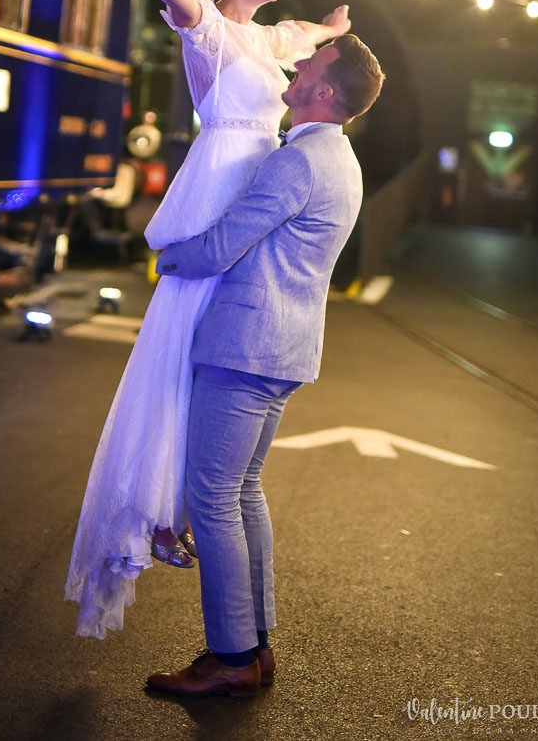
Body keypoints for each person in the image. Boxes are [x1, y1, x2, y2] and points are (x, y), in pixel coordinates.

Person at [65, 0, 350, 639]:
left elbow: (301, 36)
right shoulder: (216, 36)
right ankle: (163, 514)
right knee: (183, 361)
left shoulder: (268, 41)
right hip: (223, 196)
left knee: (213, 371)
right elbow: (184, 7)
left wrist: (332, 32)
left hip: (256, 201)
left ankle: (185, 518)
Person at [146, 35, 383, 696]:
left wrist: (166, 258)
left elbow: (224, 244)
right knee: (243, 492)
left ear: (324, 91)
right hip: (285, 347)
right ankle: (254, 647)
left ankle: (230, 659)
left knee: (213, 499)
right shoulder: (341, 160)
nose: (297, 67)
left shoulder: (299, 161)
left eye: (308, 65)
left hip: (246, 345)